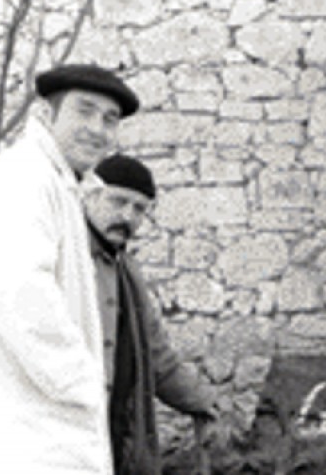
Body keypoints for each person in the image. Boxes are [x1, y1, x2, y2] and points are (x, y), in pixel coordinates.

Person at [0, 64, 138, 474]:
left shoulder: (63, 184)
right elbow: (17, 291)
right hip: (31, 441)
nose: (97, 129)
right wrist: (83, 384)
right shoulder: (23, 178)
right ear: (45, 113)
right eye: (84, 111)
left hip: (46, 435)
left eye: (110, 119)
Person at [83, 154, 218, 474]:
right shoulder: (65, 259)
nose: (128, 216)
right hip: (67, 440)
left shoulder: (128, 272)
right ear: (90, 196)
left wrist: (204, 402)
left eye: (139, 209)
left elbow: (157, 358)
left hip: (118, 441)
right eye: (118, 201)